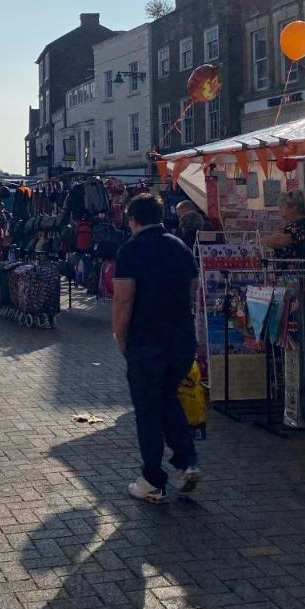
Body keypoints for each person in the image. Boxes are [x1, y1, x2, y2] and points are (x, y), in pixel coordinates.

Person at [112, 193, 202, 503]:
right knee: (167, 398)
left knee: (148, 410)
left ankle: (153, 479)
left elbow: (124, 299)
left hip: (147, 339)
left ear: (132, 219)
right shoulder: (180, 247)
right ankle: (187, 460)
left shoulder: (131, 250)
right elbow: (192, 292)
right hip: (181, 338)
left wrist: (119, 336)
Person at [263, 192, 305, 260]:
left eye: (282, 206)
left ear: (294, 207)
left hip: (301, 269)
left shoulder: (300, 226)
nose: (280, 209)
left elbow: (277, 241)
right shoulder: (304, 224)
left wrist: (262, 240)